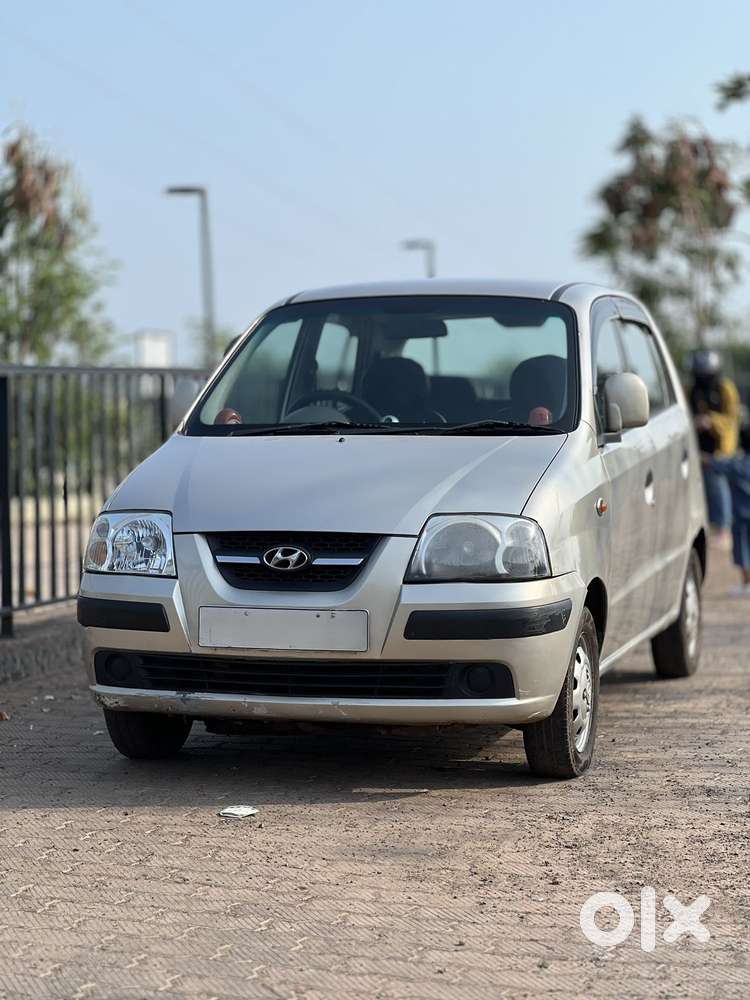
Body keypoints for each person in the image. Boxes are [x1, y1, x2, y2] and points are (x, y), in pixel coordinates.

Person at [689, 350, 741, 547]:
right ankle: (712, 525)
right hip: (697, 448)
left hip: (721, 449)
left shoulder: (725, 388)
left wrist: (711, 421)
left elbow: (732, 418)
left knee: (718, 485)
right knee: (704, 487)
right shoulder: (691, 390)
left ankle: (723, 529)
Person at [704, 422, 750, 595]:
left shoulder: (739, 464)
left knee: (743, 551)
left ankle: (747, 584)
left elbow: (716, 464)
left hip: (742, 517)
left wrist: (702, 456)